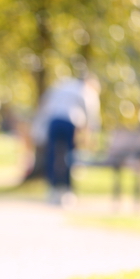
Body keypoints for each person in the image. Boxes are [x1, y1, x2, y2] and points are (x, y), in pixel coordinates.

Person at [31, 74, 101, 204]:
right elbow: (91, 117)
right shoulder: (86, 90)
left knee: (52, 155)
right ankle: (67, 189)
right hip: (70, 122)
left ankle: (53, 188)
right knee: (69, 156)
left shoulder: (63, 86)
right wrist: (90, 137)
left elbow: (46, 104)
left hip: (53, 121)